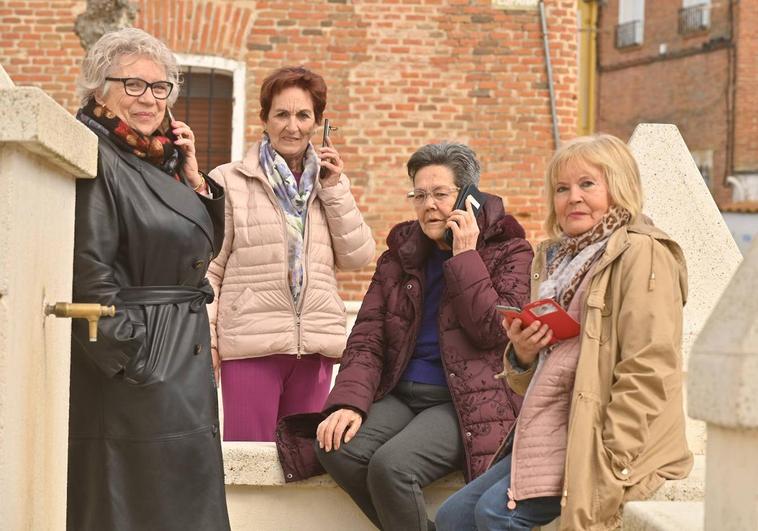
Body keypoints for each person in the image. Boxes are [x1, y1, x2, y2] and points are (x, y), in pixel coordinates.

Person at [435, 134, 693, 531]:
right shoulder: (557, 260)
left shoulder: (642, 253)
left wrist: (611, 455)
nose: (573, 197)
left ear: (619, 187)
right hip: (552, 426)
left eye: (587, 184)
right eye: (561, 188)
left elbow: (650, 366)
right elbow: (539, 374)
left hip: (601, 439)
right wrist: (522, 352)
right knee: (453, 516)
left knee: (494, 515)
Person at [277, 142, 533, 531]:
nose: (429, 205)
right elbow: (366, 338)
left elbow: (493, 333)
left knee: (393, 467)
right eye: (420, 195)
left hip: (463, 398)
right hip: (400, 392)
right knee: (335, 446)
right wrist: (349, 403)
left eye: (441, 194)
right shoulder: (401, 255)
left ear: (468, 197)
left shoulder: (510, 251)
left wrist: (465, 257)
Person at [68, 28, 229, 530]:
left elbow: (195, 248)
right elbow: (86, 271)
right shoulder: (94, 154)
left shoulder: (156, 159)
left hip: (176, 357)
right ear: (100, 90)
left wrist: (193, 176)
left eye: (160, 88)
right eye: (133, 85)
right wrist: (136, 360)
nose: (150, 99)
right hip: (141, 371)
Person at [207, 66, 375, 442]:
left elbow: (358, 255)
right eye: (282, 114)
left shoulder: (329, 183)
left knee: (302, 465)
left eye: (303, 116)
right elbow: (210, 270)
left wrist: (334, 190)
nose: (292, 126)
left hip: (314, 348)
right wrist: (210, 341)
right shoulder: (228, 181)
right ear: (264, 118)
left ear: (317, 122)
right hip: (250, 346)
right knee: (247, 461)